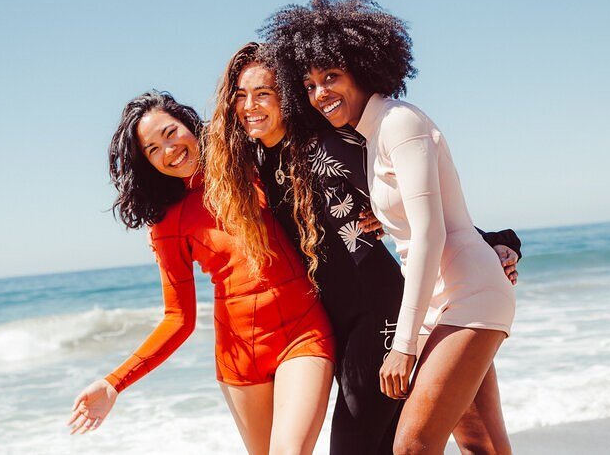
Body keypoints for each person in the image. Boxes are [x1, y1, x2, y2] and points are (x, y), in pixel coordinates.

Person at [206, 41, 521, 454]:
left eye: (263, 93)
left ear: (285, 95)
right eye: (241, 96)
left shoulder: (330, 146)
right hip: (345, 323)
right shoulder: (253, 164)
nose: (250, 106)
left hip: (381, 315)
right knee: (477, 440)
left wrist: (496, 242)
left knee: (362, 446)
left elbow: (420, 209)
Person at [67, 91, 335, 455]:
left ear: (189, 125)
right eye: (153, 149)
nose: (169, 149)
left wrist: (374, 209)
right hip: (239, 358)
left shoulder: (247, 162)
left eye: (169, 133)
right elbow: (178, 319)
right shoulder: (167, 224)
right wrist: (115, 383)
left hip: (303, 333)